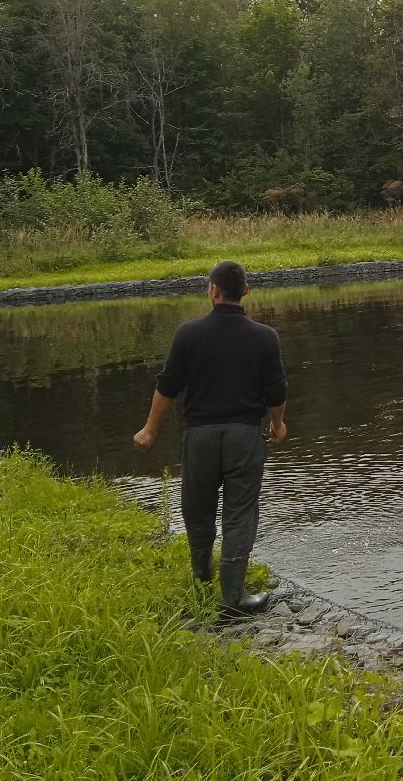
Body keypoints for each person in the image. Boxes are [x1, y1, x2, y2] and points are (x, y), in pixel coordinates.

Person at [134, 260, 287, 615]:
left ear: (213, 291)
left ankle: (201, 581)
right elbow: (276, 391)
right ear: (246, 291)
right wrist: (277, 424)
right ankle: (232, 597)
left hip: (199, 436)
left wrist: (149, 429)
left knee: (197, 510)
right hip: (245, 437)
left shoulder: (189, 333)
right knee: (240, 512)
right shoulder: (265, 336)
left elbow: (168, 385)